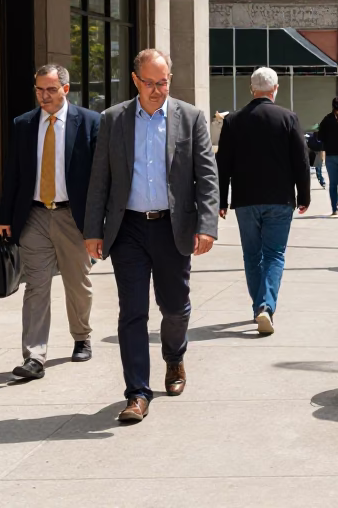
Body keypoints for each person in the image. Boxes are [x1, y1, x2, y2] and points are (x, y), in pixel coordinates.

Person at [84, 49, 218, 424]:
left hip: (173, 228)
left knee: (175, 308)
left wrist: (207, 225)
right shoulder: (114, 119)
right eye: (150, 83)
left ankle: (174, 358)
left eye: (163, 82)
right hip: (128, 229)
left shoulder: (189, 118)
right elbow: (100, 180)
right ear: (134, 80)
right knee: (132, 312)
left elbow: (207, 176)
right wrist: (93, 230)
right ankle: (137, 393)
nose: (157, 90)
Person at [0, 65, 101, 380]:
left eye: (51, 90)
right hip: (34, 215)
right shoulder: (24, 124)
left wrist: (98, 223)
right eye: (40, 90)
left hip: (73, 216)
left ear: (66, 89)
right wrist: (5, 215)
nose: (44, 96)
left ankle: (81, 336)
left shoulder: (90, 123)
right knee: (36, 285)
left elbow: (100, 178)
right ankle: (34, 356)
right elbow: (13, 172)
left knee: (77, 283)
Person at [215, 67, 310, 337]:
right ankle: (266, 306)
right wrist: (304, 195)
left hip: (245, 199)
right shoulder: (288, 118)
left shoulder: (233, 121)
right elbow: (301, 162)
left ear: (251, 89)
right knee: (274, 254)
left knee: (251, 255)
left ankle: (259, 306)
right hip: (280, 199)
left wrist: (221, 199)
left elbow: (223, 164)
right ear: (275, 89)